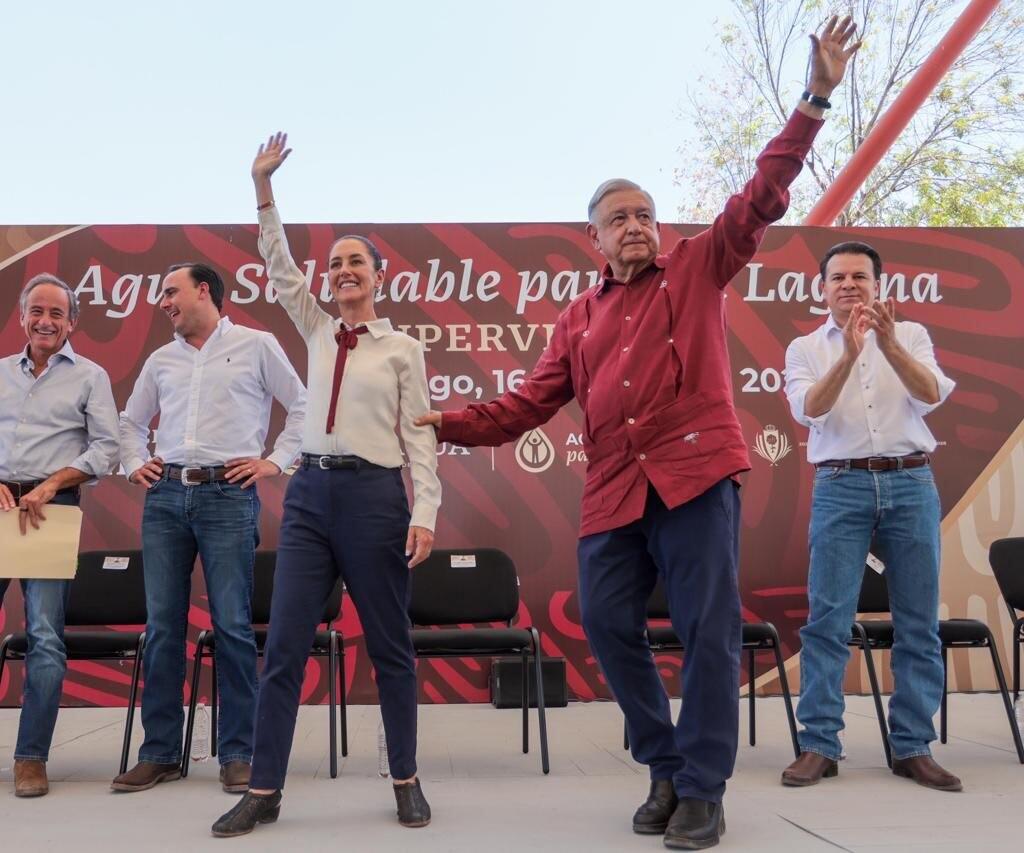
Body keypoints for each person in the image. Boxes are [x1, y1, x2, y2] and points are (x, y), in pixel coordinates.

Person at [416, 17, 861, 850]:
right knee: (608, 620)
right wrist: (446, 421)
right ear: (593, 237)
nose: (638, 225)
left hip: (696, 478)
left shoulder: (696, 267)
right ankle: (661, 760)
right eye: (621, 217)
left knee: (707, 629)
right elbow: (525, 406)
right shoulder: (578, 318)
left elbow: (760, 197)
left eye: (646, 214)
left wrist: (814, 98)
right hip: (615, 490)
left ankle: (702, 787)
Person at [210, 134, 441, 838]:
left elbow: (419, 436)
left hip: (375, 499)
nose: (343, 271)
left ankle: (405, 777)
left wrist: (424, 509)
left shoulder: (402, 348)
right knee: (282, 648)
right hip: (310, 498)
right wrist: (263, 188)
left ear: (377, 276)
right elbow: (278, 267)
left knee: (390, 646)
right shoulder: (313, 327)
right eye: (335, 263)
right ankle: (267, 787)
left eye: (355, 262)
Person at [113, 262, 306, 795]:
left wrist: (276, 461)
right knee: (162, 627)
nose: (163, 303)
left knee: (233, 627)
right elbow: (130, 424)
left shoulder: (256, 344)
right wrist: (135, 463)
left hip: (228, 495)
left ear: (204, 292)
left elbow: (305, 406)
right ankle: (160, 754)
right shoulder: (160, 359)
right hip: (166, 495)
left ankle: (239, 753)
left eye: (170, 292)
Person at [780, 241, 959, 791]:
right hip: (841, 484)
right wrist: (853, 353)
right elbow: (810, 409)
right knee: (828, 621)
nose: (849, 285)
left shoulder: (912, 336)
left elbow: (931, 395)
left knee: (918, 621)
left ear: (879, 284)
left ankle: (912, 747)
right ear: (823, 288)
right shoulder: (804, 347)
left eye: (860, 276)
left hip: (911, 481)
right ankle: (819, 745)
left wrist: (885, 342)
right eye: (838, 277)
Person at [0, 273, 119, 797]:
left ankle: (31, 758)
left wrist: (51, 484)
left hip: (50, 510)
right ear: (23, 316)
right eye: (36, 311)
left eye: (56, 314)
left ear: (72, 322)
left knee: (45, 637)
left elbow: (106, 449)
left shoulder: (91, 377)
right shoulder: (1, 373)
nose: (45, 321)